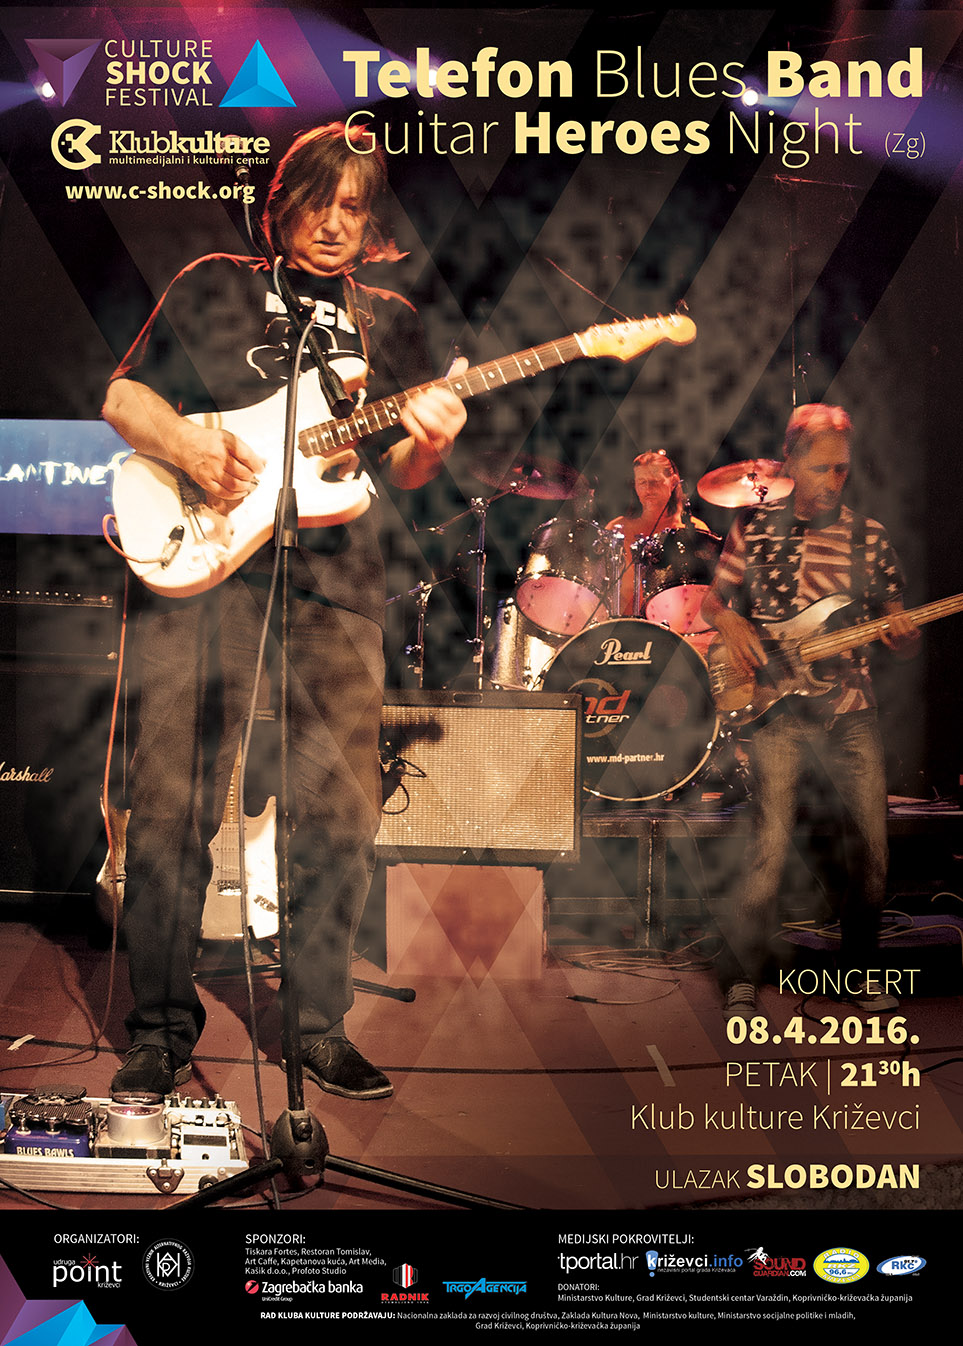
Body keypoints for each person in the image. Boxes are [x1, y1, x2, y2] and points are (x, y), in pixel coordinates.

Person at [102, 122, 466, 1100]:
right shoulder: (214, 283)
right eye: (319, 201)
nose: (336, 223)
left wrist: (431, 441)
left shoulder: (388, 320)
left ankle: (315, 1024)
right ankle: (159, 1029)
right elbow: (125, 399)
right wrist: (188, 445)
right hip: (204, 568)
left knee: (339, 807)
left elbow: (403, 470)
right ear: (281, 202)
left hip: (337, 580)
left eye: (354, 207)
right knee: (171, 800)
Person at [700, 404, 919, 1021]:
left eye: (842, 469)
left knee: (873, 848)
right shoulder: (754, 528)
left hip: (850, 705)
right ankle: (740, 977)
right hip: (778, 706)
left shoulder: (869, 538)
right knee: (768, 846)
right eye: (822, 468)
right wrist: (732, 621)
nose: (833, 481)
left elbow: (898, 628)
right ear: (791, 463)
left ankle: (861, 971)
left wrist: (903, 636)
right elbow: (712, 605)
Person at [605, 451, 718, 651]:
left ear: (673, 483)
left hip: (679, 638)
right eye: (642, 482)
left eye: (656, 482)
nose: (648, 489)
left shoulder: (694, 529)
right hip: (624, 635)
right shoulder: (617, 529)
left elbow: (704, 593)